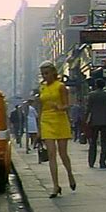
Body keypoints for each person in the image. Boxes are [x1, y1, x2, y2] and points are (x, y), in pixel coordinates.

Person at [38, 60, 76, 198]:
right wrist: (38, 129)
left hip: (60, 120)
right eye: (42, 74)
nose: (44, 76)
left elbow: (67, 105)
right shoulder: (41, 87)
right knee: (51, 154)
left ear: (53, 72)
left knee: (62, 153)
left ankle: (70, 175)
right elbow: (40, 106)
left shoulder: (61, 86)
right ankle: (55, 186)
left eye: (47, 73)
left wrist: (59, 107)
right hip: (46, 120)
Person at [85, 78, 106, 169]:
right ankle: (102, 162)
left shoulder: (91, 95)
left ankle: (91, 162)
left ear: (96, 85)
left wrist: (86, 119)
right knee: (104, 143)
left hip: (94, 121)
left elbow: (88, 108)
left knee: (93, 142)